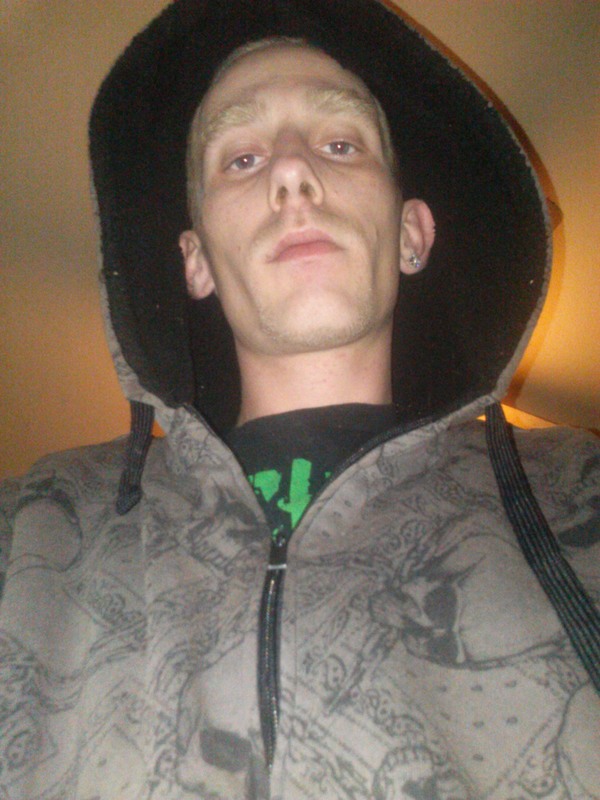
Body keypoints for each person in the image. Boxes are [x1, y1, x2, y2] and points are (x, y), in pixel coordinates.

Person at [0, 1, 598, 798]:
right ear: (195, 261)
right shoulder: (36, 526)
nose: (291, 172)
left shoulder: (580, 492)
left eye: (340, 144)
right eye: (242, 158)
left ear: (412, 234)